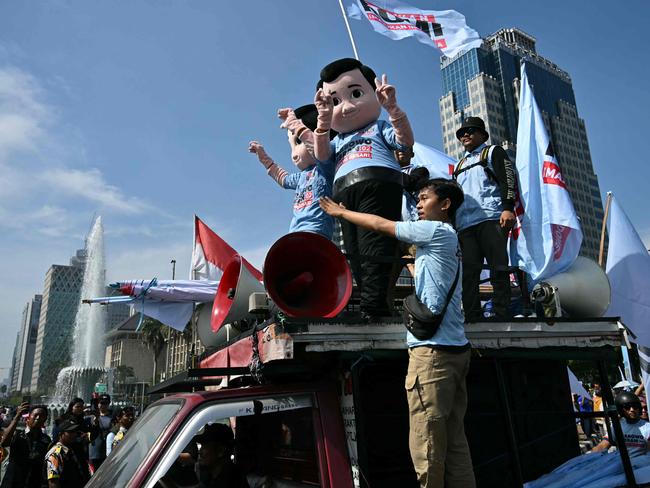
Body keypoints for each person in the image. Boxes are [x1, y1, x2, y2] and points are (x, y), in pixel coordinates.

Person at [320, 178, 475, 487]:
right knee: (454, 440)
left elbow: (380, 224)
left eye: (424, 198)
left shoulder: (434, 230)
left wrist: (341, 214)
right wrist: (409, 261)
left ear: (445, 205)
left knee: (427, 443)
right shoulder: (448, 240)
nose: (418, 204)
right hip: (456, 349)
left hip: (433, 354)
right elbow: (425, 278)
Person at [313, 57, 414, 320]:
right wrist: (323, 121)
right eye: (335, 101)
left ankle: (373, 308)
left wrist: (392, 109)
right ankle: (375, 305)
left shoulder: (378, 127)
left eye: (356, 94)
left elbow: (404, 142)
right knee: (355, 253)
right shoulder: (338, 139)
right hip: (344, 193)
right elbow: (322, 156)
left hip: (378, 184)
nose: (345, 107)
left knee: (375, 247)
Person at [452, 117, 516, 322]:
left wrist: (507, 208)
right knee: (469, 273)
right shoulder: (459, 164)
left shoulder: (493, 152)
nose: (465, 135)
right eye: (461, 132)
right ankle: (472, 314)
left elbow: (508, 179)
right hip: (465, 225)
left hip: (491, 218)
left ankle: (501, 312)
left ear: (482, 134)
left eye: (470, 130)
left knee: (498, 266)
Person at [249, 104, 335, 239]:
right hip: (295, 232)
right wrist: (264, 159)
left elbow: (318, 147)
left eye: (298, 142)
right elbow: (284, 179)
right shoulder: (302, 176)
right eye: (292, 145)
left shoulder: (326, 167)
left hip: (317, 232)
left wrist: (296, 125)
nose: (294, 154)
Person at [0, 403, 51, 488]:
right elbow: (4, 442)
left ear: (45, 419)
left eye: (42, 416)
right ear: (29, 417)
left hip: (34, 483)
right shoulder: (18, 434)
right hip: (12, 482)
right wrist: (17, 417)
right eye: (35, 415)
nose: (38, 418)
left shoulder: (46, 440)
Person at [591, 391, 650, 458]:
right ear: (621, 409)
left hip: (642, 465)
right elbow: (603, 444)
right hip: (622, 464)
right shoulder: (617, 426)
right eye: (627, 407)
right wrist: (589, 455)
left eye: (635, 406)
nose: (632, 409)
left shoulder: (647, 427)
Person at [193, 423, 248, 488]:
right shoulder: (213, 476)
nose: (200, 451)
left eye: (204, 446)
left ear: (220, 451)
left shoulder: (231, 481)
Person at [51, 397, 96, 473]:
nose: (80, 409)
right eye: (78, 407)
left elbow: (91, 435)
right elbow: (57, 436)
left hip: (81, 452)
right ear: (71, 407)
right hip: (65, 452)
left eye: (82, 407)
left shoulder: (83, 420)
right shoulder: (64, 419)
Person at [44, 418, 90, 488]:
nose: (74, 434)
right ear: (61, 434)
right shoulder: (55, 454)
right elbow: (53, 482)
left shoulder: (73, 449)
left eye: (75, 431)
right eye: (70, 432)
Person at [88, 393, 112, 471]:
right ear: (98, 404)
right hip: (94, 453)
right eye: (101, 403)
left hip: (106, 452)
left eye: (105, 403)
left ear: (109, 404)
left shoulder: (113, 417)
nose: (103, 405)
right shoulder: (91, 417)